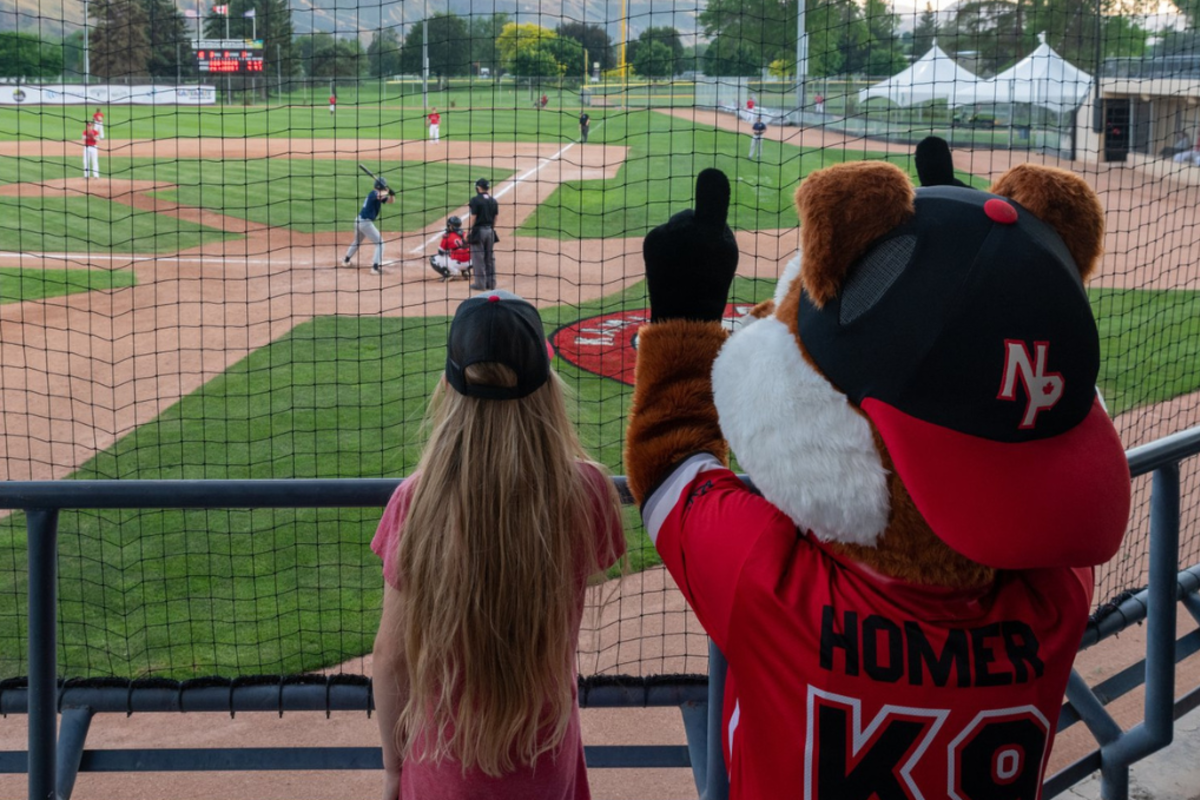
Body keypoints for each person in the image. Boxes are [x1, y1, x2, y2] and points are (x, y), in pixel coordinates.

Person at [370, 290, 625, 800]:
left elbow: (391, 658)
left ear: (448, 385)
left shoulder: (415, 503)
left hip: (441, 769)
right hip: (545, 764)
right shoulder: (589, 493)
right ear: (548, 386)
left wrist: (394, 770)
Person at [342, 177, 395, 275]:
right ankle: (375, 268)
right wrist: (388, 191)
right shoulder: (374, 194)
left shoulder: (377, 194)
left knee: (357, 241)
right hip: (365, 223)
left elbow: (391, 201)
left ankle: (346, 261)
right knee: (380, 244)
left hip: (359, 221)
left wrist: (392, 195)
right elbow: (380, 195)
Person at [468, 178, 499, 290]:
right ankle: (491, 284)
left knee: (478, 258)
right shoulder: (493, 200)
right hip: (490, 231)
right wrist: (491, 228)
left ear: (478, 188)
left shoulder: (475, 200)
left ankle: (480, 284)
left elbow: (473, 217)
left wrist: (470, 230)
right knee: (489, 258)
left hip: (479, 232)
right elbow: (495, 218)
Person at [430, 216, 472, 281]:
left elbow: (440, 252)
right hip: (470, 262)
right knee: (466, 251)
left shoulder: (447, 236)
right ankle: (465, 271)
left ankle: (450, 273)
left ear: (450, 226)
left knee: (433, 259)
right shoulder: (465, 234)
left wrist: (449, 250)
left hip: (456, 264)